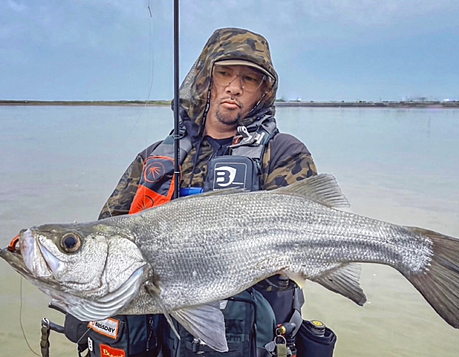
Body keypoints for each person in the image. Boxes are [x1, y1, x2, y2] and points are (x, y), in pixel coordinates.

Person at [63, 27, 336, 357]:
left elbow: (304, 251)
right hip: (159, 339)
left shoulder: (283, 154)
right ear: (207, 79)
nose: (234, 87)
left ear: (263, 91)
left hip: (248, 341)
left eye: (249, 79)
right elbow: (107, 234)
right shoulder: (155, 158)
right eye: (225, 73)